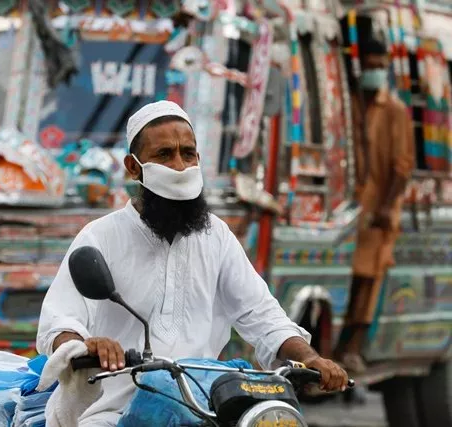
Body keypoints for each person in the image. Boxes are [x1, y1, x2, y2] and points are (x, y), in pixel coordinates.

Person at [36, 101, 349, 426]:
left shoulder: (216, 236)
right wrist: (85, 344)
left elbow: (263, 316)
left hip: (201, 407)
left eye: (188, 153)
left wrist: (310, 358)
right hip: (110, 413)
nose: (180, 165)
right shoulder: (101, 236)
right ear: (133, 166)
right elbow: (60, 323)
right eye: (164, 154)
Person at [334, 35, 415, 373]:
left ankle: (353, 347)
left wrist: (385, 207)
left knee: (367, 280)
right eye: (371, 66)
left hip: (378, 212)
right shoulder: (349, 103)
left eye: (381, 67)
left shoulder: (395, 111)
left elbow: (402, 166)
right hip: (350, 208)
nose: (376, 72)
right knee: (346, 277)